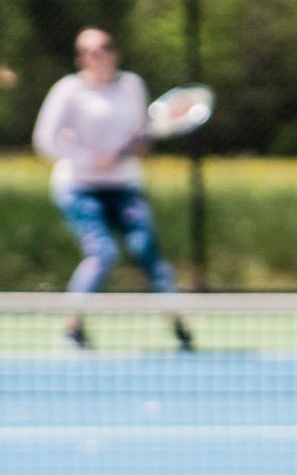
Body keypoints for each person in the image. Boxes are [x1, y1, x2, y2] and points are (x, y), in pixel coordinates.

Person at [31, 27, 192, 351]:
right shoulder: (68, 90)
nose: (98, 55)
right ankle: (72, 327)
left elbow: (139, 134)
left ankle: (178, 324)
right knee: (102, 253)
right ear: (81, 59)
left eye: (105, 47)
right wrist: (89, 157)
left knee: (148, 252)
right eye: (90, 51)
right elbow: (45, 141)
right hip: (78, 188)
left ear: (115, 52)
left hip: (124, 187)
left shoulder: (132, 86)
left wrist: (138, 145)